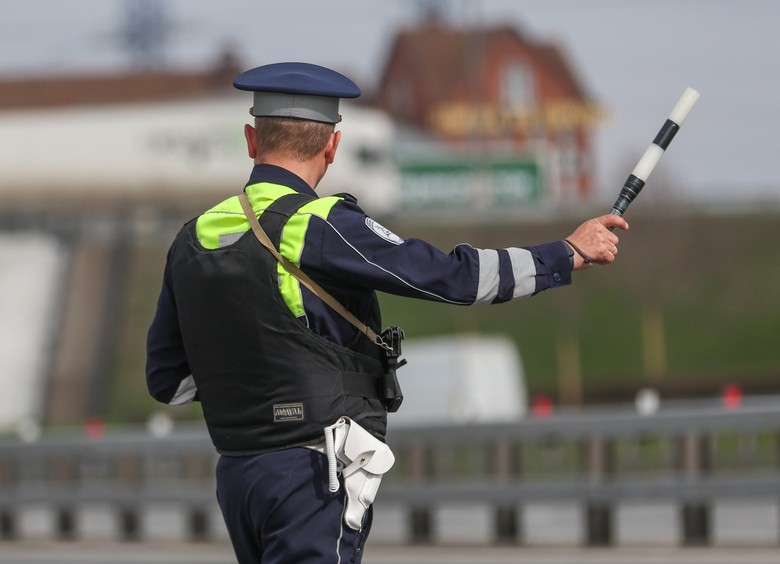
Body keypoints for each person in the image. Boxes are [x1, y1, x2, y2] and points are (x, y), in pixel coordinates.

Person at [146, 61, 628, 563]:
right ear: (332, 146)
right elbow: (454, 279)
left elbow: (167, 380)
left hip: (238, 475)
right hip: (312, 472)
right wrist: (563, 254)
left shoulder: (192, 238)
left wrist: (255, 378)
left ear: (251, 139)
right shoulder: (321, 223)